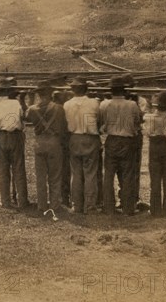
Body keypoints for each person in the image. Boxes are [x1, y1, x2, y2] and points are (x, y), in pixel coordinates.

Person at [100, 76, 141, 216]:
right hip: (126, 140)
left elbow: (102, 121)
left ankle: (109, 207)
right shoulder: (132, 105)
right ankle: (128, 208)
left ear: (111, 90)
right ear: (124, 90)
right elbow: (137, 121)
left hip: (112, 139)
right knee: (127, 175)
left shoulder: (104, 104)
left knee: (109, 175)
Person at [26, 80, 67, 213]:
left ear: (38, 94)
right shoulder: (59, 108)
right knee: (55, 176)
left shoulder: (32, 109)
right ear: (51, 94)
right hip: (54, 142)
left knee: (40, 177)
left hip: (39, 143)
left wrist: (29, 100)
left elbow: (26, 117)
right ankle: (55, 205)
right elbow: (63, 127)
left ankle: (41, 205)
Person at [0, 78, 28, 209]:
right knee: (19, 168)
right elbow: (22, 116)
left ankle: (5, 200)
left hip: (1, 136)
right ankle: (22, 200)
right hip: (15, 136)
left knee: (3, 169)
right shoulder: (16, 103)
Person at [63, 78, 102, 214]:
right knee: (90, 173)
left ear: (73, 90)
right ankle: (90, 205)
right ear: (86, 89)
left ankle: (77, 205)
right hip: (90, 138)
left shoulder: (67, 105)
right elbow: (99, 120)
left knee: (76, 173)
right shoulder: (95, 103)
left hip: (74, 138)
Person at [143, 92, 166, 218]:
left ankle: (155, 209)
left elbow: (147, 132)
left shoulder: (149, 117)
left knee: (155, 178)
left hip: (155, 146)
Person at [121, 73, 149, 212]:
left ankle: (134, 198)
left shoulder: (141, 101)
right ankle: (124, 198)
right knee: (122, 169)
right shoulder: (119, 101)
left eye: (131, 87)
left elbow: (141, 118)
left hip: (135, 136)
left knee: (135, 169)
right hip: (123, 136)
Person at [48, 72, 74, 208]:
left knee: (63, 167)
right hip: (61, 133)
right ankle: (62, 197)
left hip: (63, 133)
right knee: (61, 167)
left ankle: (63, 197)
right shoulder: (62, 94)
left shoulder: (64, 94)